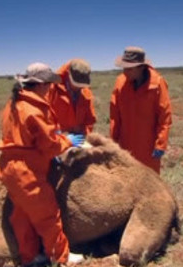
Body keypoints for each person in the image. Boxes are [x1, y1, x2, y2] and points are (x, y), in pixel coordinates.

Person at [0, 62, 86, 267]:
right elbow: (49, 146)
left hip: (9, 168)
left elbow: (27, 135)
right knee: (47, 213)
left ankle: (29, 256)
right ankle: (60, 257)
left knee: (22, 214)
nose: (51, 89)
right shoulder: (33, 109)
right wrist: (67, 141)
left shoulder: (14, 103)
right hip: (26, 170)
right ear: (39, 84)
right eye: (48, 85)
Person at [110, 46, 172, 174]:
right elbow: (115, 116)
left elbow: (164, 118)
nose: (125, 72)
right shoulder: (120, 83)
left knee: (149, 183)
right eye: (124, 67)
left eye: (130, 68)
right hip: (125, 145)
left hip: (148, 147)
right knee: (126, 179)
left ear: (141, 67)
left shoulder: (157, 84)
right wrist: (113, 141)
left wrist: (160, 144)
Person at [49, 58, 97, 135]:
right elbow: (45, 120)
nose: (79, 87)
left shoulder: (86, 92)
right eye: (76, 84)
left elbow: (90, 120)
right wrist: (60, 135)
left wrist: (84, 135)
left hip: (79, 140)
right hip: (58, 140)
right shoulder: (52, 89)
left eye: (81, 85)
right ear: (68, 74)